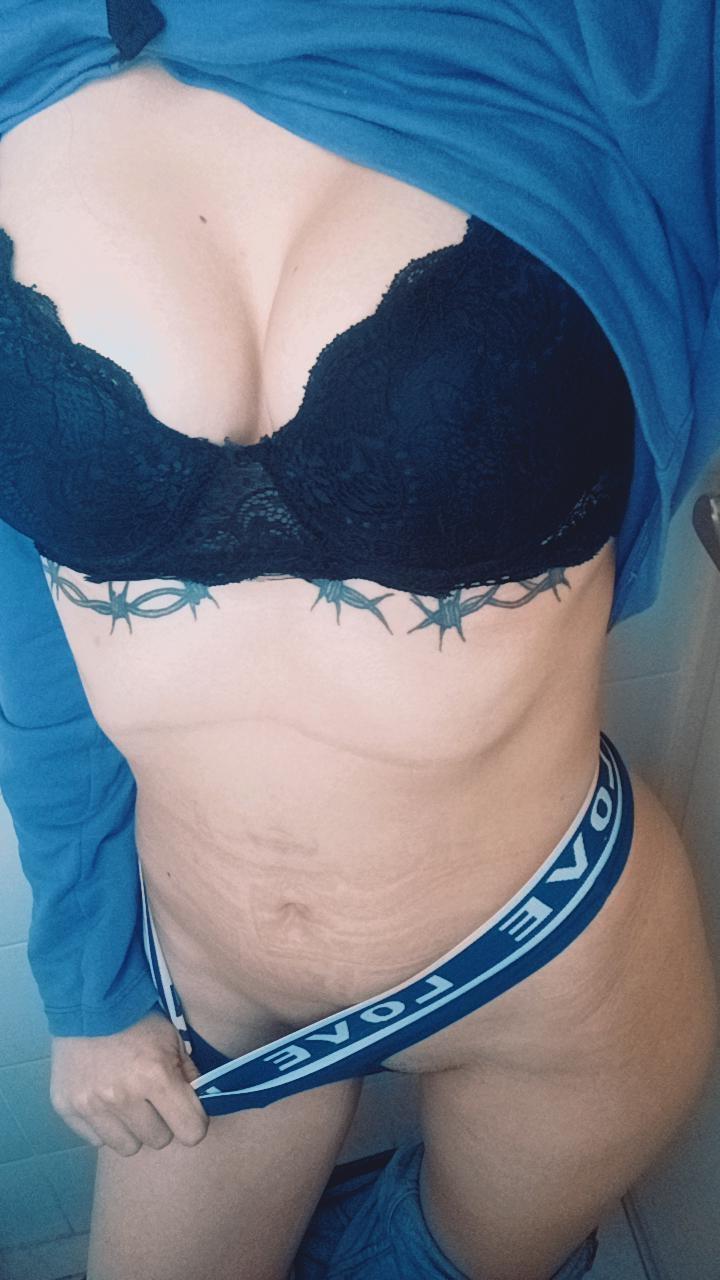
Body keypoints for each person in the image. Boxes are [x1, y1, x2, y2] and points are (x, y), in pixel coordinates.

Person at [0, 4, 718, 1279]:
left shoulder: (634, 47)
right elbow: (32, 628)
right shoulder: (27, 51)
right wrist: (90, 984)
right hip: (209, 991)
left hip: (546, 974)